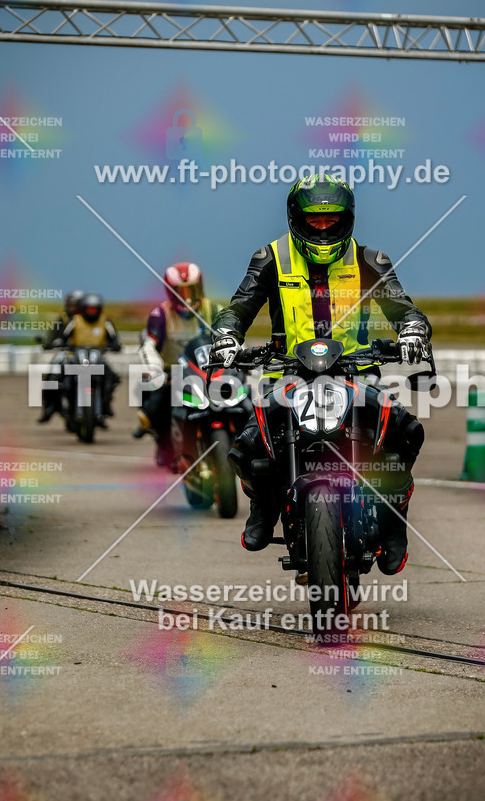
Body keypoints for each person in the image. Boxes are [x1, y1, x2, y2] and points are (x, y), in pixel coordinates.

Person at [209, 174, 431, 573]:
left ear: (347, 219)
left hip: (358, 374)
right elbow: (239, 307)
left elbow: (402, 306)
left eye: (332, 220)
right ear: (297, 218)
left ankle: (395, 522)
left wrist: (412, 330)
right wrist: (226, 335)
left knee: (406, 432)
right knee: (246, 445)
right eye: (316, 221)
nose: (324, 228)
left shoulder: (371, 260)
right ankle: (263, 507)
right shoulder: (269, 258)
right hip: (288, 375)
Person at [133, 263, 217, 467]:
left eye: (192, 290)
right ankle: (164, 443)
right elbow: (148, 346)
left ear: (201, 288)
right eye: (181, 291)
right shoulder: (160, 314)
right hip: (172, 371)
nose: (187, 297)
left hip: (207, 370)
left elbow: (230, 336)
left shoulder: (213, 309)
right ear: (170, 293)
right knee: (156, 396)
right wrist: (155, 369)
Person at [58, 293, 121, 427]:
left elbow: (114, 339)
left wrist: (116, 345)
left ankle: (105, 405)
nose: (92, 312)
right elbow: (63, 337)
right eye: (89, 309)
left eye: (95, 309)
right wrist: (60, 343)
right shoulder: (75, 320)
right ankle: (64, 406)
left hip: (97, 358)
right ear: (84, 308)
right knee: (62, 379)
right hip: (77, 358)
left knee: (112, 377)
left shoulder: (105, 322)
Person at [38, 290, 84, 423]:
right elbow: (53, 335)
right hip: (66, 353)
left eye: (74, 305)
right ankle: (49, 407)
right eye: (70, 305)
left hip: (85, 353)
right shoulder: (63, 319)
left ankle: (102, 407)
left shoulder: (88, 319)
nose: (71, 308)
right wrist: (49, 343)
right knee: (52, 375)